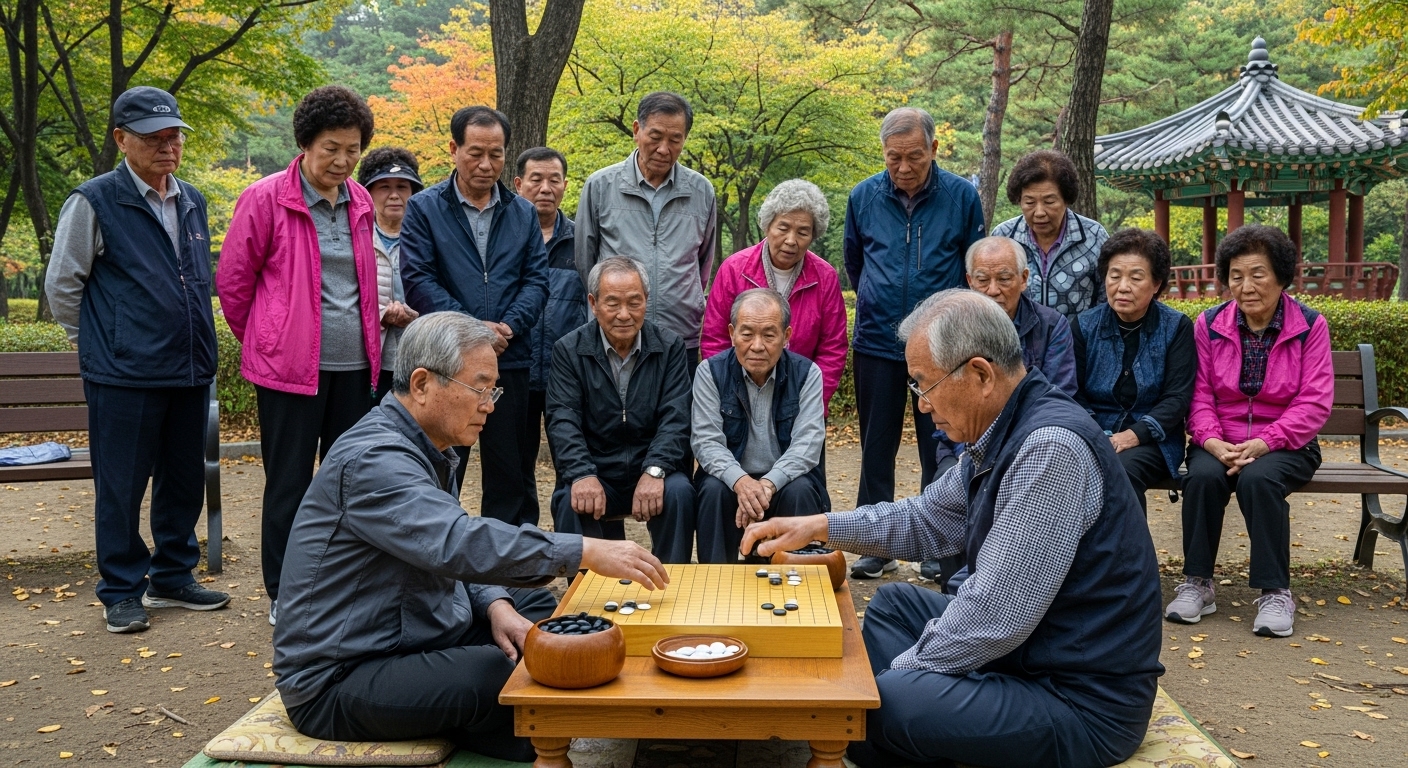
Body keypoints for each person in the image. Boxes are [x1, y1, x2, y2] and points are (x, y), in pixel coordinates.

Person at [742, 289, 1164, 768]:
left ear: (980, 374)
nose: (920, 405)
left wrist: (885, 686)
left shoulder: (1049, 449)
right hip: (1031, 653)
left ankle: (887, 730)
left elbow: (994, 618)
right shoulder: (1004, 427)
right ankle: (900, 733)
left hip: (1079, 698)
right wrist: (819, 525)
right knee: (894, 606)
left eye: (923, 383)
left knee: (877, 707)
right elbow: (926, 519)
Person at [274, 312, 668, 763]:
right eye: (480, 388)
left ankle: (503, 718)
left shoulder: (427, 446)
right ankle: (526, 739)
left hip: (416, 631)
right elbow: (456, 541)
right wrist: (584, 549)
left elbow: (452, 548)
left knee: (540, 613)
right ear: (422, 384)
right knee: (491, 671)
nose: (490, 405)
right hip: (343, 676)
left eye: (492, 390)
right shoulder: (375, 459)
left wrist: (496, 605)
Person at [46, 86, 230, 633]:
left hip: (190, 367)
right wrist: (108, 340)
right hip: (123, 375)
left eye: (174, 135)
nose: (167, 146)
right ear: (121, 139)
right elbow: (64, 286)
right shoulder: (94, 200)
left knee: (183, 479)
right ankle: (121, 590)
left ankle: (173, 576)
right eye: (153, 137)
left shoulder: (192, 198)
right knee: (121, 487)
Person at [218, 85, 381, 626]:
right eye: (331, 148)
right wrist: (268, 340)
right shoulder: (266, 198)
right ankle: (282, 591)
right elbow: (234, 284)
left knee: (348, 481)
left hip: (356, 367)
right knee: (288, 481)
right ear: (306, 144)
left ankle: (338, 584)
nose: (342, 160)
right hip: (288, 373)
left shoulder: (360, 201)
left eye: (352, 149)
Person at [1168, 224, 1331, 638]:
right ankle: (1197, 583)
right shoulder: (1209, 323)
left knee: (1259, 479)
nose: (1246, 286)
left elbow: (1314, 402)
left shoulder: (1310, 326)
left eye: (1258, 274)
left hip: (1288, 444)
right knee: (1202, 476)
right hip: (1220, 439)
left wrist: (1265, 441)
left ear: (1280, 276)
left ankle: (1276, 591)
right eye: (1236, 275)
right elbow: (1199, 393)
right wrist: (1209, 440)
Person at [843, 106, 985, 579]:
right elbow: (856, 263)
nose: (904, 169)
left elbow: (969, 267)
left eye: (915, 157)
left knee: (939, 442)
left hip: (941, 342)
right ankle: (873, 543)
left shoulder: (963, 197)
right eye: (893, 159)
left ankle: (937, 541)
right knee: (875, 444)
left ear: (934, 149)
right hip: (878, 339)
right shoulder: (863, 196)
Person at [399, 106, 549, 527]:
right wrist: (472, 331)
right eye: (475, 153)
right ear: (454, 149)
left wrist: (508, 326)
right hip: (449, 363)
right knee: (444, 465)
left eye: (496, 154)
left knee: (511, 473)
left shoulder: (521, 211)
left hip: (510, 359)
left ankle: (509, 571)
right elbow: (419, 280)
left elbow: (537, 280)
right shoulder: (425, 208)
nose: (486, 165)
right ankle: (442, 564)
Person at [924, 234, 1079, 589]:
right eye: (983, 280)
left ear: (1024, 279)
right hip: (963, 448)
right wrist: (965, 454)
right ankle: (953, 594)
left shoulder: (1051, 326)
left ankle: (997, 589)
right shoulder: (952, 330)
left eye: (1005, 278)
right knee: (948, 485)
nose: (993, 289)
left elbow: (1060, 397)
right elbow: (943, 401)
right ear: (969, 281)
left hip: (1024, 449)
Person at [546, 257, 696, 563]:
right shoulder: (568, 350)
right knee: (569, 497)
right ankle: (585, 598)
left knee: (680, 492)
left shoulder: (670, 347)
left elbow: (676, 416)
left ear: (646, 301)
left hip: (652, 468)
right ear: (593, 303)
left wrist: (655, 468)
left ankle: (674, 583)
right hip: (598, 469)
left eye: (634, 302)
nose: (624, 314)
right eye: (612, 303)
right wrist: (582, 473)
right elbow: (563, 418)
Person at [574, 92, 717, 359]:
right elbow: (586, 262)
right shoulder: (601, 186)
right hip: (615, 334)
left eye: (675, 139)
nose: (664, 149)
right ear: (637, 130)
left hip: (680, 336)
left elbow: (702, 264)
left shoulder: (701, 191)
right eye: (656, 137)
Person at [693, 289, 827, 564]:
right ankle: (715, 585)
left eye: (769, 335)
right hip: (732, 482)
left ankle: (797, 584)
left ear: (786, 337)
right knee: (713, 490)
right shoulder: (710, 372)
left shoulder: (808, 374)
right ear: (732, 333)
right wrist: (741, 482)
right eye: (747, 334)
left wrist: (767, 484)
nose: (757, 345)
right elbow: (707, 443)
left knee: (801, 489)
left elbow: (808, 445)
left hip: (783, 482)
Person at [1072, 228, 1194, 512]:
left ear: (1156, 284)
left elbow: (1176, 398)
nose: (1122, 286)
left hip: (1153, 440)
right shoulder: (1085, 325)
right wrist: (1098, 435)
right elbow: (1072, 393)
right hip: (1093, 435)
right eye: (1115, 276)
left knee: (1122, 471)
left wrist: (1133, 435)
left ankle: (1131, 555)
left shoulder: (1175, 327)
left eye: (1135, 277)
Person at [700, 179, 848, 409]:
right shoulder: (734, 269)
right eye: (783, 228)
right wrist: (729, 397)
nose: (791, 240)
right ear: (768, 226)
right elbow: (715, 338)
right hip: (738, 397)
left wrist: (812, 403)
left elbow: (833, 348)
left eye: (802, 232)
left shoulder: (825, 277)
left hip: (802, 397)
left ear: (813, 235)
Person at [518, 147, 586, 524]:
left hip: (568, 375)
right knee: (516, 469)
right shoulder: (505, 239)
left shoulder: (582, 241)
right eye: (536, 179)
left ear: (564, 185)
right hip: (516, 372)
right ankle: (525, 555)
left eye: (554, 180)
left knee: (574, 465)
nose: (545, 188)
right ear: (518, 184)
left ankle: (573, 549)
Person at [991, 149, 1109, 318]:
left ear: (1066, 199)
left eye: (1049, 202)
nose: (1039, 212)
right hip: (1018, 340)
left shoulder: (1093, 236)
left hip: (1076, 341)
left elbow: (1106, 298)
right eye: (1030, 202)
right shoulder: (1004, 236)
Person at [357, 147, 423, 403]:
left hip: (419, 358)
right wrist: (382, 315)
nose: (394, 195)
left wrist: (414, 316)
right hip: (367, 360)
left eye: (402, 187)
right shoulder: (357, 238)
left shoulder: (426, 239)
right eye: (384, 187)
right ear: (369, 192)